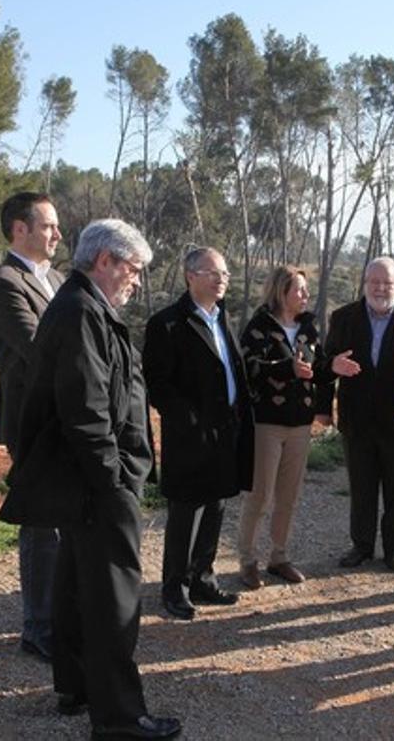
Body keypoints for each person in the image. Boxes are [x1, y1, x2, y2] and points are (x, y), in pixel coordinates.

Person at [0, 219, 179, 738]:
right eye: (134, 269)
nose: (137, 281)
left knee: (78, 588)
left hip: (88, 481)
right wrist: (115, 481)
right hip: (97, 483)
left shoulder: (86, 306)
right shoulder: (80, 312)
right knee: (113, 601)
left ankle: (76, 687)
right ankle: (121, 717)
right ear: (105, 262)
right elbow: (86, 411)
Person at [144, 247, 254, 620]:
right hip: (190, 437)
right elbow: (157, 384)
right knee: (185, 513)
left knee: (216, 507)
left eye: (225, 273)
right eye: (213, 273)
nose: (222, 279)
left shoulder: (222, 318)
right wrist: (189, 422)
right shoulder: (168, 323)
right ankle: (174, 588)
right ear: (191, 275)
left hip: (226, 432)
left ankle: (203, 579)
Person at [236, 266, 361, 589]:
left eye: (307, 290)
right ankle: (248, 560)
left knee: (288, 495)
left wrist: (331, 367)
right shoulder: (259, 328)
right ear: (281, 292)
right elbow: (249, 369)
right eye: (300, 290)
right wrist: (286, 368)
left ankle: (279, 556)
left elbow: (314, 370)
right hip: (267, 423)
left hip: (299, 424)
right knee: (259, 495)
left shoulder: (308, 329)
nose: (306, 295)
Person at [0, 191, 64, 663]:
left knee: (63, 522)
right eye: (49, 225)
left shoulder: (55, 278)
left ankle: (59, 614)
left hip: (66, 415)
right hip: (33, 421)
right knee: (41, 524)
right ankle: (38, 627)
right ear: (20, 228)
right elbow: (39, 349)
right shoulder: (4, 284)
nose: (57, 234)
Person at [323, 256, 394, 573]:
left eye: (387, 283)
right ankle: (361, 546)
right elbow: (325, 361)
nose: (380, 288)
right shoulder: (343, 318)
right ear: (365, 284)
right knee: (362, 489)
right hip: (357, 421)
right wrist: (332, 365)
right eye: (374, 282)